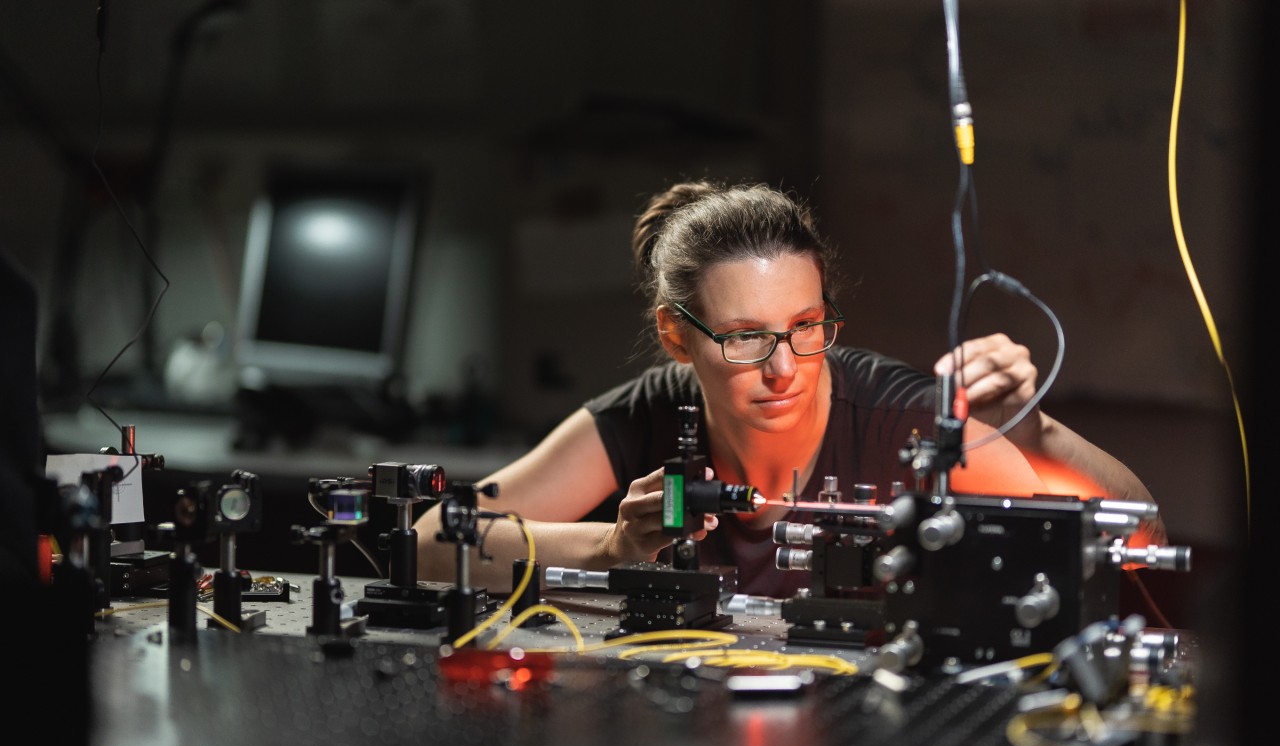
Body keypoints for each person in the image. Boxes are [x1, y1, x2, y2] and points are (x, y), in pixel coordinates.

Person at [413, 181, 1164, 597]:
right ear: (677, 338)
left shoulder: (899, 416)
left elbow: (1137, 544)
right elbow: (429, 544)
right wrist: (612, 547)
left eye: (806, 325)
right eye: (745, 336)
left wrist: (1035, 434)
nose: (785, 368)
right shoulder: (650, 409)